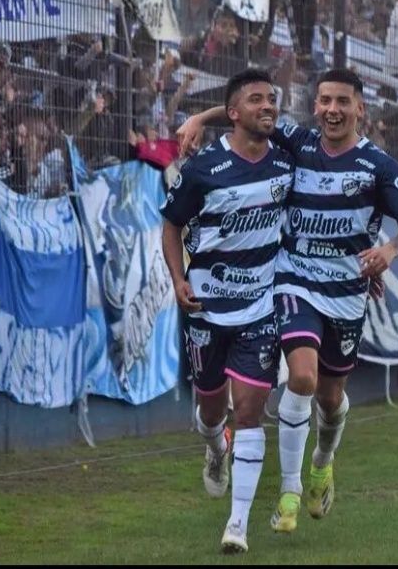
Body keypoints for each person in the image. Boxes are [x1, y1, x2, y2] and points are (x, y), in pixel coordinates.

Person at [177, 68, 398, 532]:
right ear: (315, 106)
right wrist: (200, 119)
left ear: (360, 109)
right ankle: (289, 492)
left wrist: (388, 252)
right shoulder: (300, 142)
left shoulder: (380, 167)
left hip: (347, 294)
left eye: (342, 102)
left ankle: (323, 462)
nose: (332, 110)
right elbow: (248, 115)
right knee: (303, 377)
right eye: (325, 100)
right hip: (295, 282)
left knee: (331, 400)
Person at [160, 69, 294, 554]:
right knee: (211, 410)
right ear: (235, 112)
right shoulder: (203, 168)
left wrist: (205, 114)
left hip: (260, 308)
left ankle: (237, 524)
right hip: (206, 306)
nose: (268, 106)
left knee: (250, 411)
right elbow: (172, 226)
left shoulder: (287, 159)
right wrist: (178, 279)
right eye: (256, 99)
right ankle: (216, 447)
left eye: (272, 99)